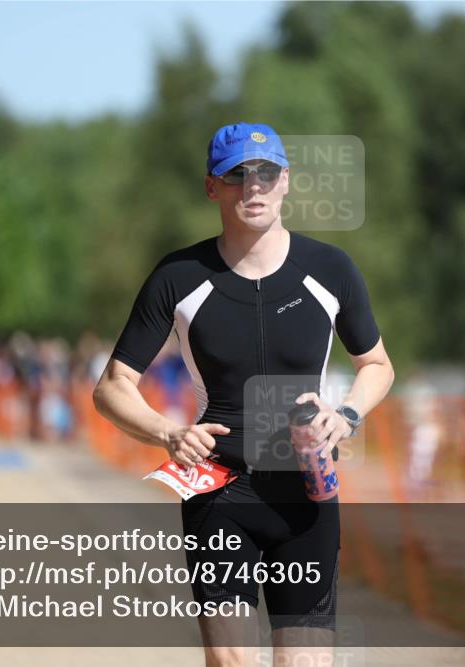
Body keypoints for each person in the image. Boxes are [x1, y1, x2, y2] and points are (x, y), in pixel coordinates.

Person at [93, 122, 395, 666]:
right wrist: (167, 430)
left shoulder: (330, 270)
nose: (251, 186)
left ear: (286, 182)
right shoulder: (179, 276)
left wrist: (347, 414)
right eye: (236, 175)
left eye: (265, 172)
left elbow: (376, 365)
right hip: (219, 492)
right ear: (213, 187)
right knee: (233, 663)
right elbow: (113, 386)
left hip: (307, 494)